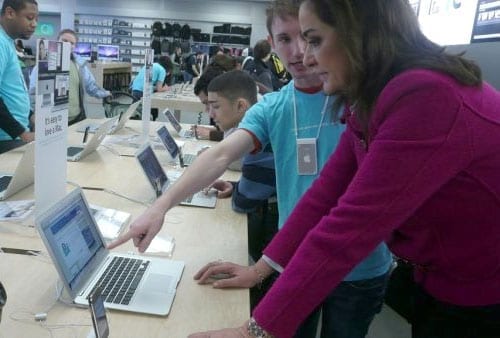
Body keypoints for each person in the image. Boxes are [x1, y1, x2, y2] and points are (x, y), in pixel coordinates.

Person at [189, 0, 500, 337]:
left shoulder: (424, 96)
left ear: (359, 33)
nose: (306, 57)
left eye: (315, 40)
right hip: (444, 280)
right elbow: (324, 195)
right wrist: (261, 269)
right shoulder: (374, 99)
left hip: (479, 295)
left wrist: (253, 331)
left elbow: (348, 228)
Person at [109, 1, 392, 337]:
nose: (300, 51)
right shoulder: (273, 105)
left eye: (308, 38)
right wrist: (160, 207)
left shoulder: (363, 101)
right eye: (286, 39)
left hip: (359, 268)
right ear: (272, 44)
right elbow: (219, 155)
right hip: (294, 260)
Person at [206, 71, 278, 282]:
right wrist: (235, 186)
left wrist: (240, 190)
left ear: (240, 106)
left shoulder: (259, 137)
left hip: (275, 236)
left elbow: (244, 202)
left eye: (216, 106)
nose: (211, 114)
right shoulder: (262, 120)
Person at [29, 29, 111, 125]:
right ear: (57, 40)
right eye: (65, 41)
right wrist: (34, 114)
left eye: (72, 43)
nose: (68, 45)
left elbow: (91, 86)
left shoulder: (79, 64)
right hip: (53, 120)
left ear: (74, 47)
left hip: (76, 117)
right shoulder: (45, 63)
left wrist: (105, 93)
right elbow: (34, 91)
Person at [0, 0, 38, 144]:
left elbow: (10, 91)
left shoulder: (8, 41)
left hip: (14, 135)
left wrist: (30, 115)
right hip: (6, 138)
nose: (34, 24)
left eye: (36, 19)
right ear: (10, 13)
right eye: (29, 18)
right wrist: (22, 133)